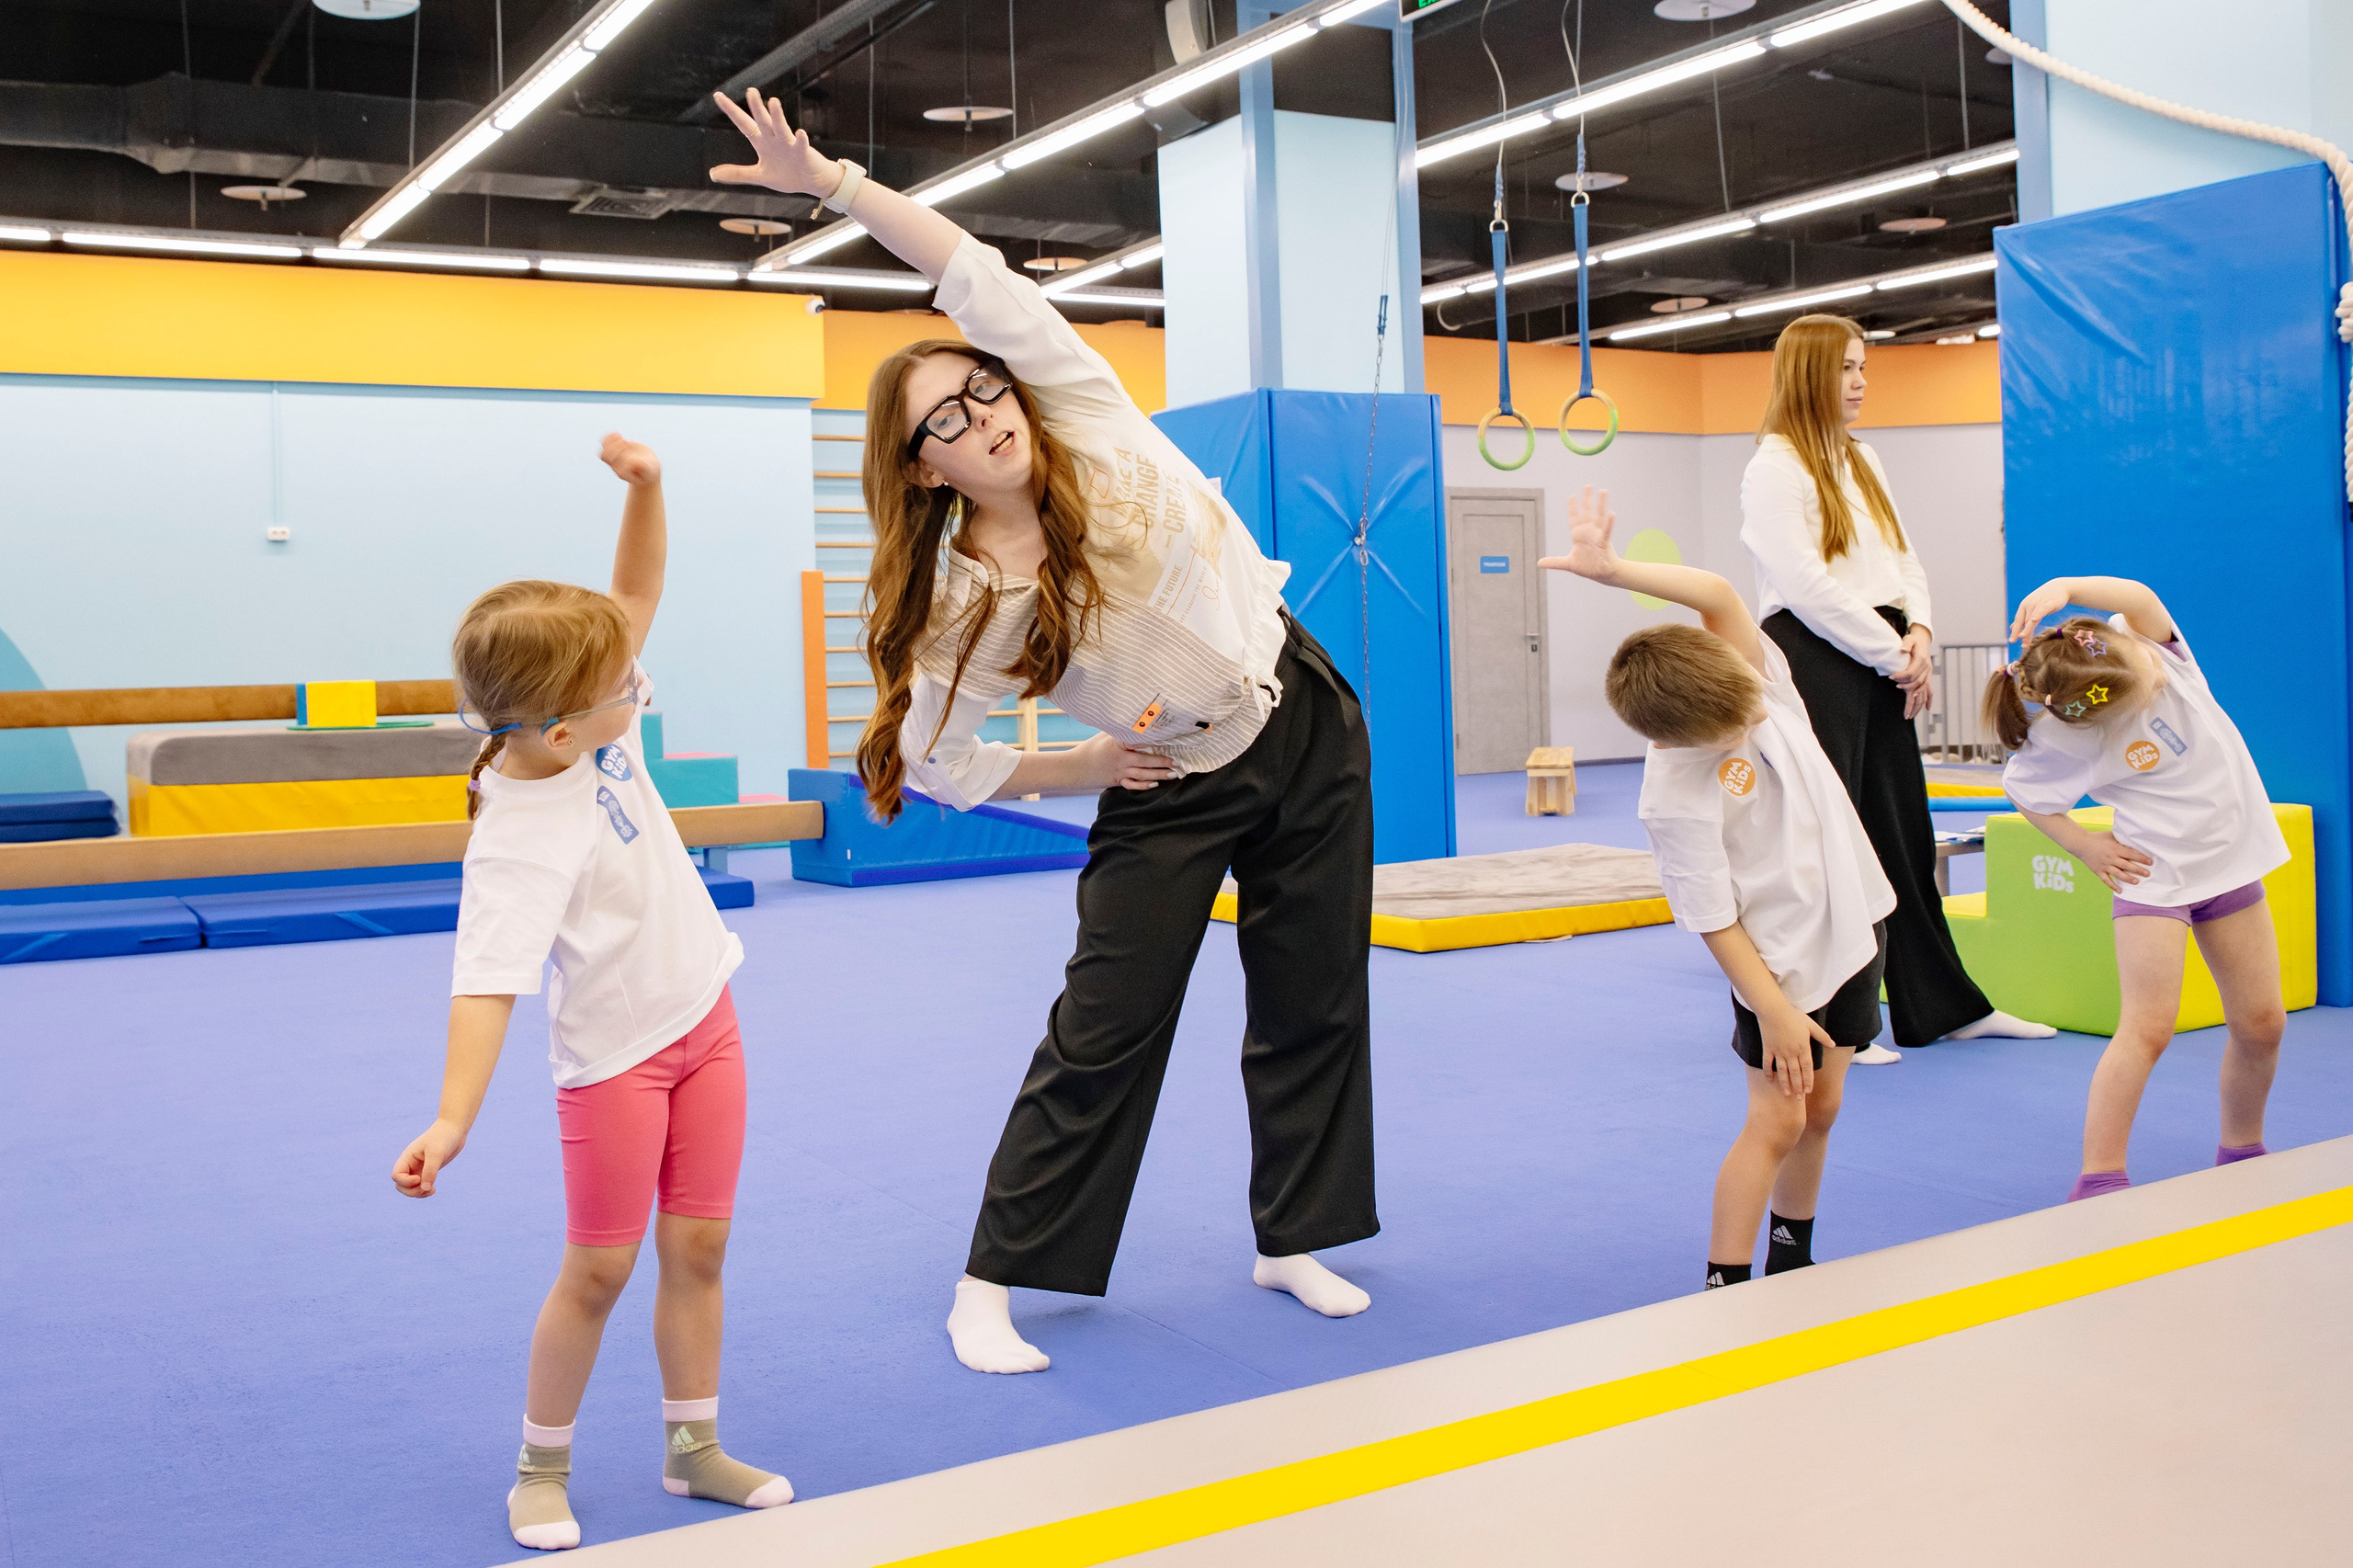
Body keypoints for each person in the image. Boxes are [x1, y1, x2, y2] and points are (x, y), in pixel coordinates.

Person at [710, 91, 1379, 1374]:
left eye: (979, 390)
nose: (982, 417)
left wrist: (838, 184)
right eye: (945, 422)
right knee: (1107, 1026)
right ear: (920, 469)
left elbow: (967, 270)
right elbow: (947, 760)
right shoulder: (964, 598)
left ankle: (1295, 1233)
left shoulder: (1076, 404)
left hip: (1303, 707)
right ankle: (995, 1277)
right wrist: (1080, 765)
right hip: (1171, 776)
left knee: (1315, 995)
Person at [391, 436, 790, 1551]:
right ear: (559, 727)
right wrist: (453, 1116)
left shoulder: (590, 727)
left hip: (706, 1020)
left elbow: (635, 591)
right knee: (601, 1265)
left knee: (700, 1247)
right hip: (615, 1060)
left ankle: (692, 1445)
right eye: (625, 688)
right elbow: (487, 983)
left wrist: (651, 487)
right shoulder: (518, 833)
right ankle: (540, 1463)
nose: (640, 690)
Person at [1545, 485, 1891, 1289]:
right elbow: (1714, 917)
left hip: (1855, 926)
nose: (1750, 720)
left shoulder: (1754, 684)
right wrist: (1773, 1009)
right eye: (1726, 727)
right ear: (1671, 738)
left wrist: (1614, 569)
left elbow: (1721, 596)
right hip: (1779, 965)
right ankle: (1725, 1285)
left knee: (1825, 1108)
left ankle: (1793, 1256)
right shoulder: (1673, 792)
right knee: (1778, 1119)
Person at [1741, 314, 2052, 1058]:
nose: (1859, 383)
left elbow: (1903, 559)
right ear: (1811, 373)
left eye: (1864, 368)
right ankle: (1841, 1020)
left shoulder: (1863, 459)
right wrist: (1890, 653)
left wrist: (1921, 635)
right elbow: (1805, 584)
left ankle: (1942, 1006)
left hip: (1880, 652)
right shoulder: (1773, 467)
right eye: (1847, 369)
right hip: (1816, 657)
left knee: (1902, 836)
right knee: (1832, 844)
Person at [1984, 577, 2289, 1201]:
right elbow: (2028, 791)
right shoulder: (2073, 733)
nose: (2155, 669)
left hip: (2230, 867)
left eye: (2146, 658)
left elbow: (2140, 597)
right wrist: (2084, 844)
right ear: (2098, 712)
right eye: (2144, 675)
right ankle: (2100, 1177)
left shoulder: (2159, 654)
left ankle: (2243, 1149)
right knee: (2148, 1027)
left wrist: (2067, 588)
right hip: (2156, 882)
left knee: (2262, 1024)